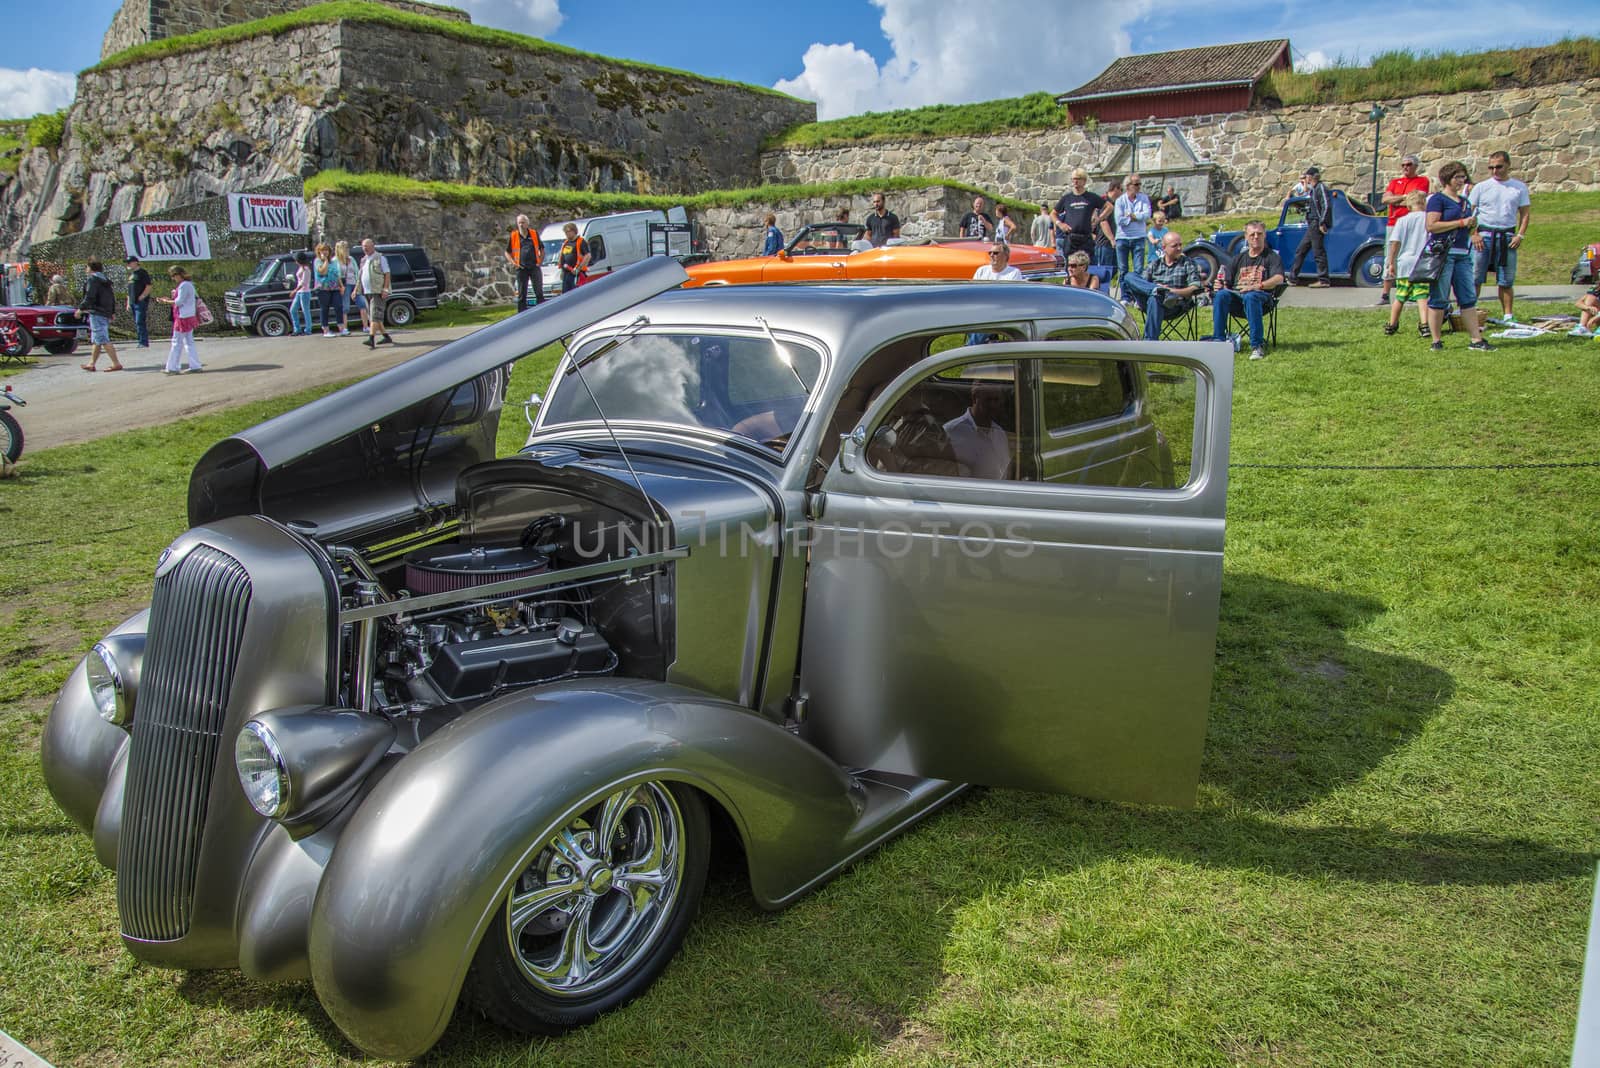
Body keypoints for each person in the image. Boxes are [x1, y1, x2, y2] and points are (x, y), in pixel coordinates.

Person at [1424, 160, 1493, 352]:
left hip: (1463, 254)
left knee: (1468, 298)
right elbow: (1431, 225)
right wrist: (1460, 222)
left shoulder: (1465, 202)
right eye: (1457, 177)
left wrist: (1472, 227)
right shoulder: (1438, 200)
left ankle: (1476, 339)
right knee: (1439, 298)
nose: (1461, 181)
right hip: (1443, 255)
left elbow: (1467, 227)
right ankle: (1436, 341)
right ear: (1447, 179)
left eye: (1463, 177)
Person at [1467, 150, 1532, 324]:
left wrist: (1520, 235)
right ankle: (1469, 311)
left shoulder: (1518, 187)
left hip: (1507, 235)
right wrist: (1474, 234)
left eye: (1499, 167)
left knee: (1506, 279)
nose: (1495, 171)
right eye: (1491, 167)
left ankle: (1508, 315)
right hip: (1484, 234)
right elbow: (1469, 212)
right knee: (1475, 277)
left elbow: (1525, 213)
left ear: (1508, 165)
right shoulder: (1481, 187)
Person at [1209, 220, 1284, 361]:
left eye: (1259, 234)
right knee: (1221, 295)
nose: (1256, 237)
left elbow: (1279, 278)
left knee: (1251, 296)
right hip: (1237, 299)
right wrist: (1219, 285)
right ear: (1246, 237)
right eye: (1252, 234)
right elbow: (1227, 281)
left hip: (1261, 299)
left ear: (1264, 236)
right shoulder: (1238, 258)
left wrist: (1257, 286)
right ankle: (1218, 342)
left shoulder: (1272, 257)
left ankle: (1257, 346)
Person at [1121, 231, 1203, 341]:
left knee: (1155, 298)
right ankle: (1156, 290)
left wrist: (1170, 290)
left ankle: (1150, 341)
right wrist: (1155, 289)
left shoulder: (1187, 263)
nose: (1179, 248)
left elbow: (1195, 287)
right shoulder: (1155, 264)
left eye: (1180, 245)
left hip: (1175, 305)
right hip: (1151, 304)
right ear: (1164, 248)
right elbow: (1141, 283)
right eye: (1175, 246)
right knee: (1129, 276)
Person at [1379, 153, 1430, 305]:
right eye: (1403, 165)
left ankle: (1414, 291)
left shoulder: (1422, 181)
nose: (1405, 168)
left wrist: (1398, 199)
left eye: (1409, 165)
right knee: (1390, 255)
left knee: (1413, 253)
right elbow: (1385, 199)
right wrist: (1404, 197)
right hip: (1394, 222)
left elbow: (1417, 199)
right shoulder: (1395, 182)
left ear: (1415, 166)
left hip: (1413, 222)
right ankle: (1385, 293)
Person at [1383, 190, 1432, 338]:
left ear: (1408, 205)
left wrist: (1391, 262)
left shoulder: (1402, 220)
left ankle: (1392, 324)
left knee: (1400, 295)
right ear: (1424, 203)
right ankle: (1424, 324)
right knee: (1422, 295)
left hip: (1405, 262)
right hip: (1422, 262)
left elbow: (1395, 242)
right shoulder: (1428, 220)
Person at [943, 380, 1011, 480]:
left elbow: (1005, 472)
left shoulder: (1000, 433)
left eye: (996, 400)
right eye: (988, 400)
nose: (993, 405)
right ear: (975, 398)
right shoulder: (952, 431)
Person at [1286, 166, 1332, 287]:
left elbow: (1326, 205)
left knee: (1318, 251)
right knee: (1301, 250)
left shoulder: (1320, 187)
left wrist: (1323, 222)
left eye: (1306, 176)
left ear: (1310, 177)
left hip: (1316, 223)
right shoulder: (1313, 189)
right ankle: (1293, 278)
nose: (1305, 178)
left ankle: (1323, 280)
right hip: (1312, 223)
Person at [156, 265, 202, 374]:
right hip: (189, 315)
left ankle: (172, 368)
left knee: (176, 342)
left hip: (183, 317)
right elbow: (181, 300)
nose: (173, 278)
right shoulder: (189, 284)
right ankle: (195, 365)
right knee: (189, 342)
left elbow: (179, 302)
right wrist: (169, 300)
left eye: (173, 276)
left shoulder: (184, 285)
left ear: (178, 274)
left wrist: (165, 301)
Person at [78, 259, 122, 371]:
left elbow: (90, 296)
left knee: (103, 339)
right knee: (97, 340)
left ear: (90, 268)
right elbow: (111, 297)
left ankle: (116, 363)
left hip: (97, 311)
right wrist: (112, 312)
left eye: (86, 267)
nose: (86, 269)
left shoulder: (93, 280)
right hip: (105, 311)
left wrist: (81, 309)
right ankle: (91, 363)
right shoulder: (105, 280)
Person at [1052, 169, 1105, 262]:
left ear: (1084, 181)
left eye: (1078, 179)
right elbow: (1053, 214)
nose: (1075, 181)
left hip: (1086, 238)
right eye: (1073, 179)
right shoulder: (1067, 198)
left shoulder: (1091, 197)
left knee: (1088, 265)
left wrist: (1099, 219)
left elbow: (1109, 207)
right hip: (1071, 238)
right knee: (1070, 266)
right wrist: (1060, 224)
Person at [1113, 174, 1153, 293]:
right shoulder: (1120, 201)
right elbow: (1119, 220)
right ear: (1128, 186)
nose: (1139, 187)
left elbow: (1147, 215)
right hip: (1123, 238)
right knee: (1123, 269)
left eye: (1140, 184)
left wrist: (1132, 216)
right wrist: (1135, 218)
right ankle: (1125, 296)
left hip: (1139, 237)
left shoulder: (1144, 198)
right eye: (1136, 184)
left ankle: (1137, 295)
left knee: (1138, 269)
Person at [358, 238, 393, 348]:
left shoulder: (380, 258)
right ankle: (386, 336)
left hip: (378, 291)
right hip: (367, 292)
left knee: (375, 315)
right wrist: (355, 290)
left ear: (373, 246)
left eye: (367, 246)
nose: (365, 248)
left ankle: (371, 338)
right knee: (374, 316)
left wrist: (385, 289)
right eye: (363, 246)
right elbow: (360, 277)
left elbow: (387, 274)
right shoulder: (363, 260)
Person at [505, 213, 544, 312]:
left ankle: (543, 311)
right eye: (519, 223)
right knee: (522, 294)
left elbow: (542, 249)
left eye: (523, 222)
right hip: (521, 268)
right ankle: (522, 314)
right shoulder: (514, 236)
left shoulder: (534, 234)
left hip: (534, 267)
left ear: (527, 223)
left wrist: (540, 261)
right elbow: (507, 252)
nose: (521, 225)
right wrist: (513, 262)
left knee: (539, 292)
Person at [312, 243, 343, 337]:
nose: (325, 252)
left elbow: (337, 274)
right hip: (322, 288)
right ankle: (325, 329)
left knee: (338, 306)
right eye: (323, 250)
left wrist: (341, 286)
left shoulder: (333, 262)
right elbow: (323, 271)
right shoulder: (317, 261)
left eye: (327, 250)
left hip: (334, 287)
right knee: (325, 308)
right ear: (319, 251)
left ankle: (341, 328)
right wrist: (325, 260)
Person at [1093, 178, 1121, 270]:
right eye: (1121, 190)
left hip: (1111, 243)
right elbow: (1103, 222)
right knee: (1104, 270)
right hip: (1104, 242)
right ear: (1115, 189)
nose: (1122, 193)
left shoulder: (1115, 203)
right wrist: (1112, 239)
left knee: (1115, 268)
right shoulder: (1105, 202)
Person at [125, 255, 152, 348]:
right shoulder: (131, 275)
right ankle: (140, 340)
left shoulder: (142, 273)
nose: (128, 264)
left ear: (136, 262)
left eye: (130, 262)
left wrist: (142, 296)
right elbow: (129, 291)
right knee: (137, 322)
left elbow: (148, 286)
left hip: (140, 302)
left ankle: (143, 342)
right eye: (127, 262)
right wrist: (128, 302)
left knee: (140, 321)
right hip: (133, 302)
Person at [334, 239, 359, 336]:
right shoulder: (335, 261)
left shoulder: (351, 259)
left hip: (354, 283)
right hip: (344, 285)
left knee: (362, 303)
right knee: (345, 307)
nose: (347, 249)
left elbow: (357, 271)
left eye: (347, 247)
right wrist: (341, 286)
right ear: (340, 249)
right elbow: (336, 274)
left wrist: (358, 283)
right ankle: (344, 328)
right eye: (345, 248)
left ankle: (367, 326)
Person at [558, 222, 590, 293]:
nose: (567, 234)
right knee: (565, 294)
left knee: (576, 293)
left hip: (576, 273)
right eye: (565, 232)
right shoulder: (566, 242)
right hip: (566, 273)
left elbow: (587, 255)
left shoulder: (581, 241)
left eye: (569, 231)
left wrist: (579, 268)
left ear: (574, 231)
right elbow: (563, 257)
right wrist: (562, 271)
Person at [287, 251, 314, 336]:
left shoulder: (306, 269)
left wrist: (294, 290)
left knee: (305, 311)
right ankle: (297, 329)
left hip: (305, 292)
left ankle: (308, 330)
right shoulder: (300, 268)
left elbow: (303, 283)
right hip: (299, 292)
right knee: (293, 310)